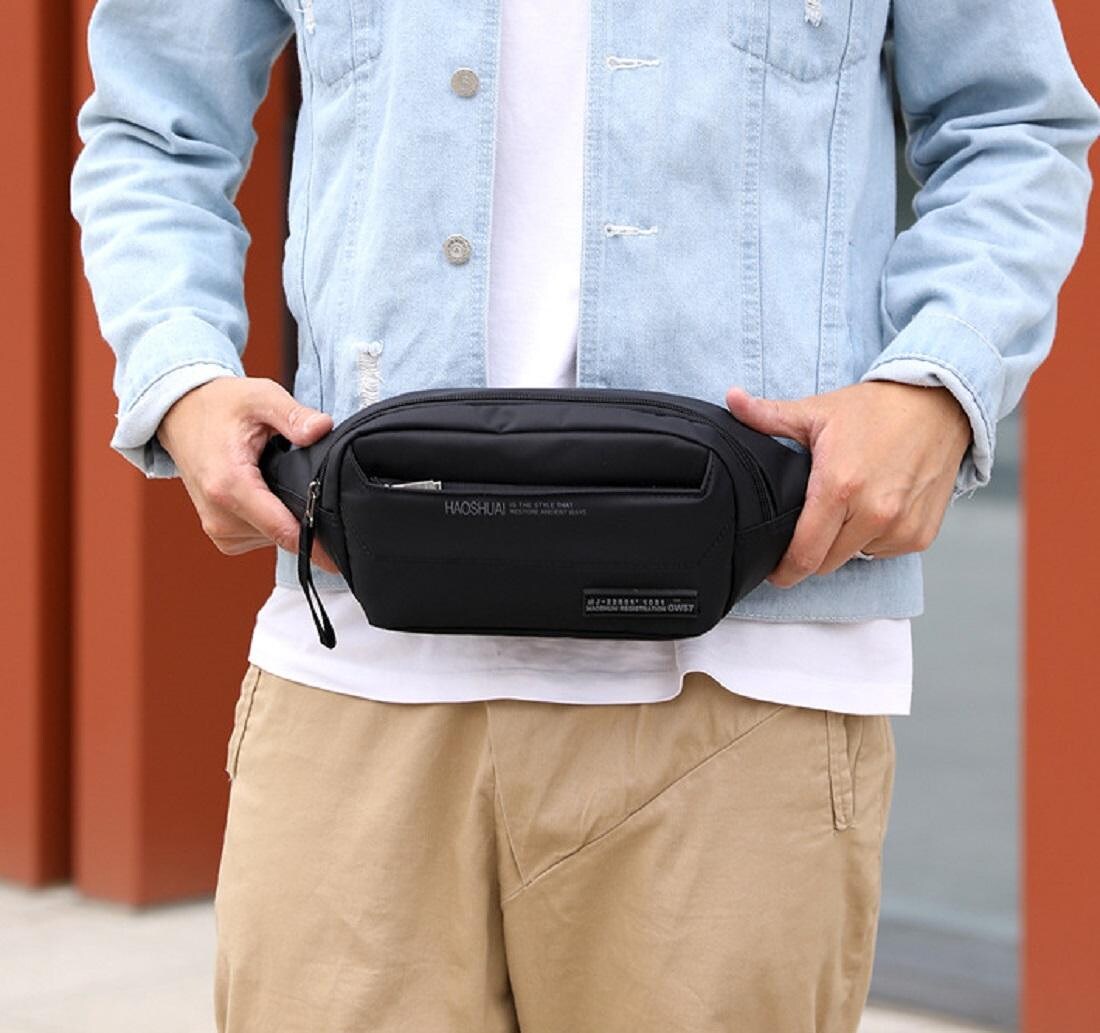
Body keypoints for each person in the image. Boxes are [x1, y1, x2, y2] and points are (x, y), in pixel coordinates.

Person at [70, 1, 1099, 1030]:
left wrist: (932, 385)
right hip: (354, 672)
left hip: (748, 679)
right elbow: (155, 119)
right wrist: (183, 374)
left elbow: (1014, 125)